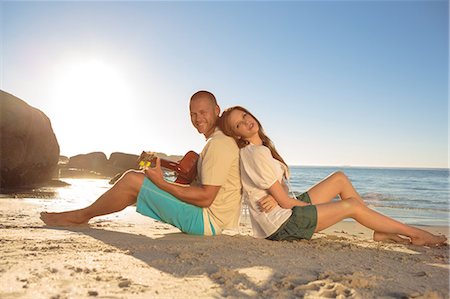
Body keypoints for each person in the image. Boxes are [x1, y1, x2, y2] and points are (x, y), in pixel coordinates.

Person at [218, 106, 447, 246]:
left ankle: (381, 230)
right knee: (351, 206)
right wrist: (281, 198)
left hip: (282, 212)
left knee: (339, 178)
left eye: (245, 115)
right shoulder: (255, 153)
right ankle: (415, 234)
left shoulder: (263, 149)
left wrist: (277, 195)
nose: (247, 122)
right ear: (236, 134)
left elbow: (282, 190)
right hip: (282, 226)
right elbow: (286, 201)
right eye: (239, 123)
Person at [40, 91, 242, 236]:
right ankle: (84, 214)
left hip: (206, 221)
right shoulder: (216, 142)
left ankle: (80, 216)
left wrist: (162, 184)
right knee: (138, 180)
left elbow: (206, 197)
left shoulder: (219, 144)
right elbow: (196, 181)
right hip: (210, 218)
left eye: (203, 112)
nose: (198, 119)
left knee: (131, 180)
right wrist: (163, 167)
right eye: (193, 114)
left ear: (216, 110)